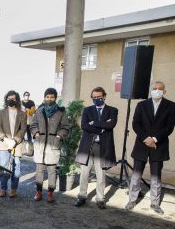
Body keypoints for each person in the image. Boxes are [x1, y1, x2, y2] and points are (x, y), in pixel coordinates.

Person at [125, 81, 175, 214]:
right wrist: (146, 138)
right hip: (142, 144)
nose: (156, 90)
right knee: (136, 175)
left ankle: (155, 203)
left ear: (164, 91)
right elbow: (136, 124)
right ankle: (132, 200)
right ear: (151, 90)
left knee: (156, 176)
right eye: (154, 88)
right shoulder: (142, 105)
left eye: (160, 89)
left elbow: (169, 127)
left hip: (159, 145)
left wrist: (154, 139)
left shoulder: (171, 106)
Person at [75, 87, 118, 209]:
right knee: (84, 174)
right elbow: (84, 126)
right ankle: (82, 196)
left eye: (99, 97)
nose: (96, 99)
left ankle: (100, 198)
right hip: (87, 146)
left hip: (102, 147)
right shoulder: (87, 110)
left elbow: (111, 125)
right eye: (94, 97)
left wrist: (93, 123)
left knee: (101, 175)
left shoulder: (112, 110)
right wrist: (102, 127)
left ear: (104, 96)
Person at [30, 88, 70, 203]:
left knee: (52, 171)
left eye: (52, 97)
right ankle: (38, 192)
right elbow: (33, 125)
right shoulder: (39, 111)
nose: (49, 99)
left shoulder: (61, 112)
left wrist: (59, 137)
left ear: (55, 98)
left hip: (53, 144)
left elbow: (65, 127)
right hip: (40, 144)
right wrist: (36, 133)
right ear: (44, 97)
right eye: (47, 97)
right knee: (39, 170)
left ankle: (50, 193)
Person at [0, 90, 27, 198]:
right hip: (4, 144)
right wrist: (6, 140)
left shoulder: (22, 114)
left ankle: (13, 189)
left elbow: (23, 129)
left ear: (17, 100)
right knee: (4, 166)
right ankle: (3, 188)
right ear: (6, 99)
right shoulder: (2, 112)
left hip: (17, 144)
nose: (11, 100)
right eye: (9, 98)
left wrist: (14, 141)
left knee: (16, 168)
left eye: (13, 98)